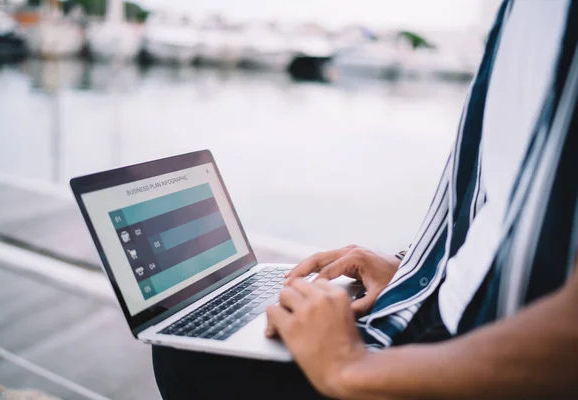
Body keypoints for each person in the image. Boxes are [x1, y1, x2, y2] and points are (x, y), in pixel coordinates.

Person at [153, 1, 578, 398]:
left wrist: (347, 368)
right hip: (438, 303)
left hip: (479, 349)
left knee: (187, 358)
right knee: (183, 344)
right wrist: (416, 270)